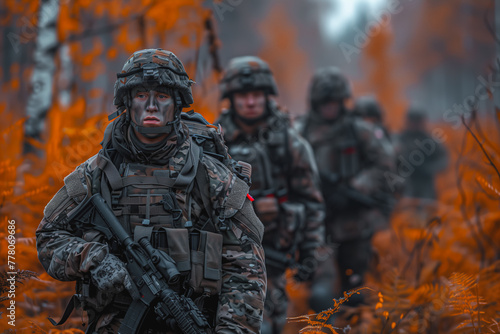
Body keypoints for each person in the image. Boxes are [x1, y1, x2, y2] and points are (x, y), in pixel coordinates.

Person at [36, 48, 267, 333]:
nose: (151, 106)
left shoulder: (211, 176)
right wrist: (94, 259)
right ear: (127, 102)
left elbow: (246, 269)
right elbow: (48, 236)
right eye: (142, 96)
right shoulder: (96, 173)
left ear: (177, 103)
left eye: (162, 96)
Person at [216, 56, 325, 334]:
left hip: (274, 256)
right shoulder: (213, 141)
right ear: (231, 98)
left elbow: (311, 202)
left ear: (267, 96)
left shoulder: (290, 142)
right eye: (243, 95)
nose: (250, 102)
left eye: (256, 95)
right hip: (221, 258)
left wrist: (310, 252)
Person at [295, 67, 396, 309]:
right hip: (317, 226)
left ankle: (356, 324)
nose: (330, 106)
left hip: (354, 223)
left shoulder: (359, 129)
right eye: (325, 102)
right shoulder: (300, 131)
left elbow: (385, 164)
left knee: (355, 291)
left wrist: (357, 187)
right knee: (322, 292)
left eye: (336, 101)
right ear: (315, 102)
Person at [394, 107, 449, 200]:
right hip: (405, 185)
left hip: (426, 186)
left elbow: (443, 160)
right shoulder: (399, 139)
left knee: (426, 210)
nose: (415, 124)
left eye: (418, 121)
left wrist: (427, 168)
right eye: (413, 121)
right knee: (406, 210)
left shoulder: (430, 141)